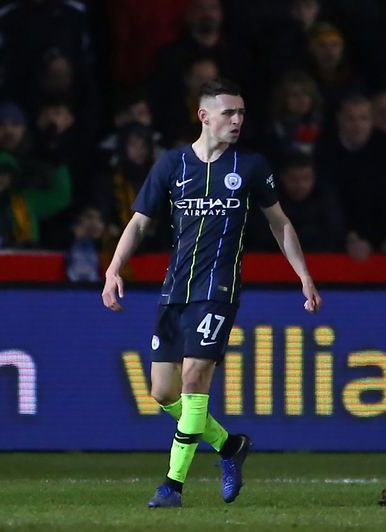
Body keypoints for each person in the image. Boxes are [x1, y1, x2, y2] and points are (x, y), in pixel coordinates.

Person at [100, 78, 322, 508]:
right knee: (163, 393)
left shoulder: (252, 166)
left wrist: (304, 276)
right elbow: (140, 223)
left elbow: (280, 223)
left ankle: (172, 485)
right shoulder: (171, 165)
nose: (237, 120)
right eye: (228, 113)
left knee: (193, 378)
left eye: (241, 113)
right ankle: (229, 446)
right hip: (174, 288)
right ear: (204, 116)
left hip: (218, 290)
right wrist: (113, 269)